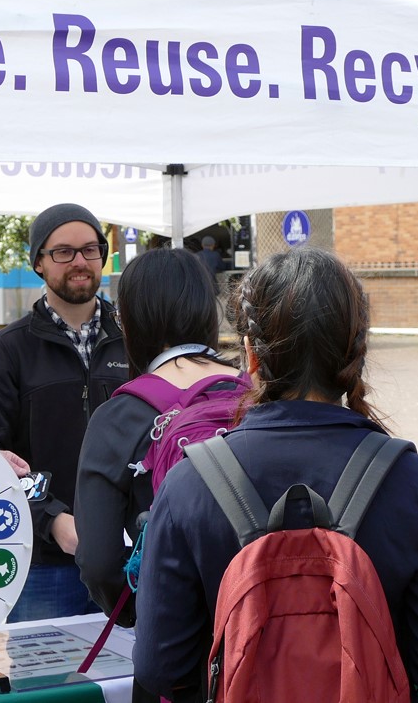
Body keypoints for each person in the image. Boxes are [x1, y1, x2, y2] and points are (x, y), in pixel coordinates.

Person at [133, 248, 418, 702]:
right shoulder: (413, 483)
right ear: (356, 354)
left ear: (250, 356)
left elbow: (163, 670)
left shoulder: (191, 484)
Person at [76, 248, 241, 702]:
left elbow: (100, 562)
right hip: (270, 641)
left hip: (176, 658)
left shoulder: (118, 417)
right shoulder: (259, 394)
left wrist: (141, 613)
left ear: (128, 324)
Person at [0, 203, 129, 621]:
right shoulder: (9, 350)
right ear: (38, 262)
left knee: (131, 685)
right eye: (63, 252)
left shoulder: (135, 341)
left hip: (128, 560)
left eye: (90, 249)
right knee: (49, 687)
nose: (79, 262)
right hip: (43, 567)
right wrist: (51, 518)